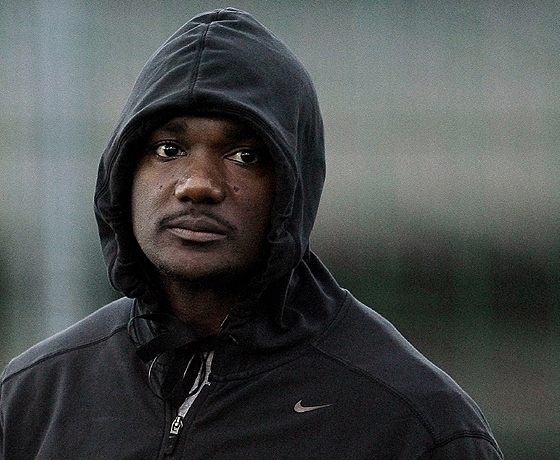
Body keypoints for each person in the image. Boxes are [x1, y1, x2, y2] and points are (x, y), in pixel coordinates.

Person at [0, 8, 503, 459]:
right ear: (124, 173)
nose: (198, 184)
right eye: (168, 149)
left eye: (245, 155)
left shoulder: (412, 421)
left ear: (292, 187)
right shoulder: (33, 396)